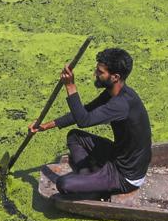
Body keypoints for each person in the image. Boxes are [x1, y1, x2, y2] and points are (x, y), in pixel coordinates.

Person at [27, 47, 151, 196]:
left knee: (63, 184)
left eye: (100, 72)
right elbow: (86, 111)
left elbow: (84, 120)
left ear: (115, 77)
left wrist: (70, 86)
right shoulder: (114, 93)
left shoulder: (121, 104)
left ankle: (91, 181)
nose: (95, 74)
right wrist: (45, 126)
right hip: (116, 155)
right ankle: (87, 176)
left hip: (125, 175)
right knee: (74, 136)